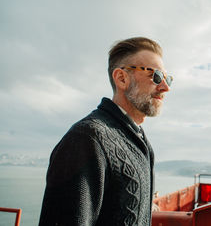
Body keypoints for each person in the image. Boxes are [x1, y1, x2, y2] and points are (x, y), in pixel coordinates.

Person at [39, 37, 172, 226]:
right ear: (122, 78)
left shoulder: (139, 140)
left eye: (168, 79)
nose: (165, 87)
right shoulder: (88, 138)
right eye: (156, 76)